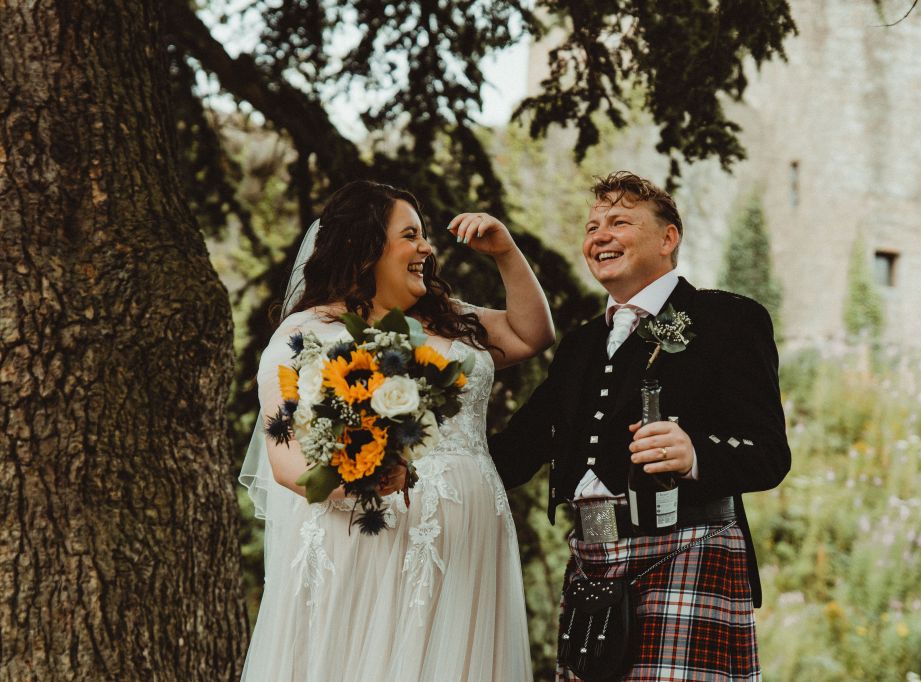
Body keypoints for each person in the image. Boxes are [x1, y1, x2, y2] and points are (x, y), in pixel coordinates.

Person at [239, 179, 553, 681]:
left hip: (471, 549)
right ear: (363, 248)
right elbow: (286, 458)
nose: (426, 248)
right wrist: (363, 475)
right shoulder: (304, 336)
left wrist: (506, 251)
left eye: (424, 235)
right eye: (411, 235)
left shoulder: (450, 319)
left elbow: (531, 333)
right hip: (374, 547)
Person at [489, 171, 791, 680]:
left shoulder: (727, 319)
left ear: (668, 238)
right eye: (592, 226)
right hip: (590, 561)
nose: (600, 235)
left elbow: (769, 453)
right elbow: (518, 451)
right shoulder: (582, 344)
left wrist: (696, 453)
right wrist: (428, 460)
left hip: (687, 548)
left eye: (620, 222)